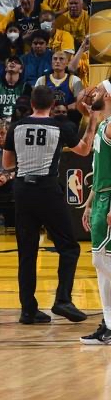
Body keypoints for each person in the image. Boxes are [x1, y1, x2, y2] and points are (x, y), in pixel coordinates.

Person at [2, 85, 95, 325]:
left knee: (27, 252)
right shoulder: (60, 126)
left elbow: (7, 163)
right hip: (47, 189)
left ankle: (28, 310)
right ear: (52, 105)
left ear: (31, 104)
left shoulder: (16, 126)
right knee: (69, 247)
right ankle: (62, 299)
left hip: (22, 189)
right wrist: (92, 120)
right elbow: (85, 150)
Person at [81, 79, 111, 344]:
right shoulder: (102, 124)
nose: (94, 93)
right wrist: (89, 203)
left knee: (106, 262)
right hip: (100, 197)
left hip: (110, 199)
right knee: (100, 264)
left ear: (109, 96)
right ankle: (108, 323)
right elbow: (98, 170)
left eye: (99, 90)